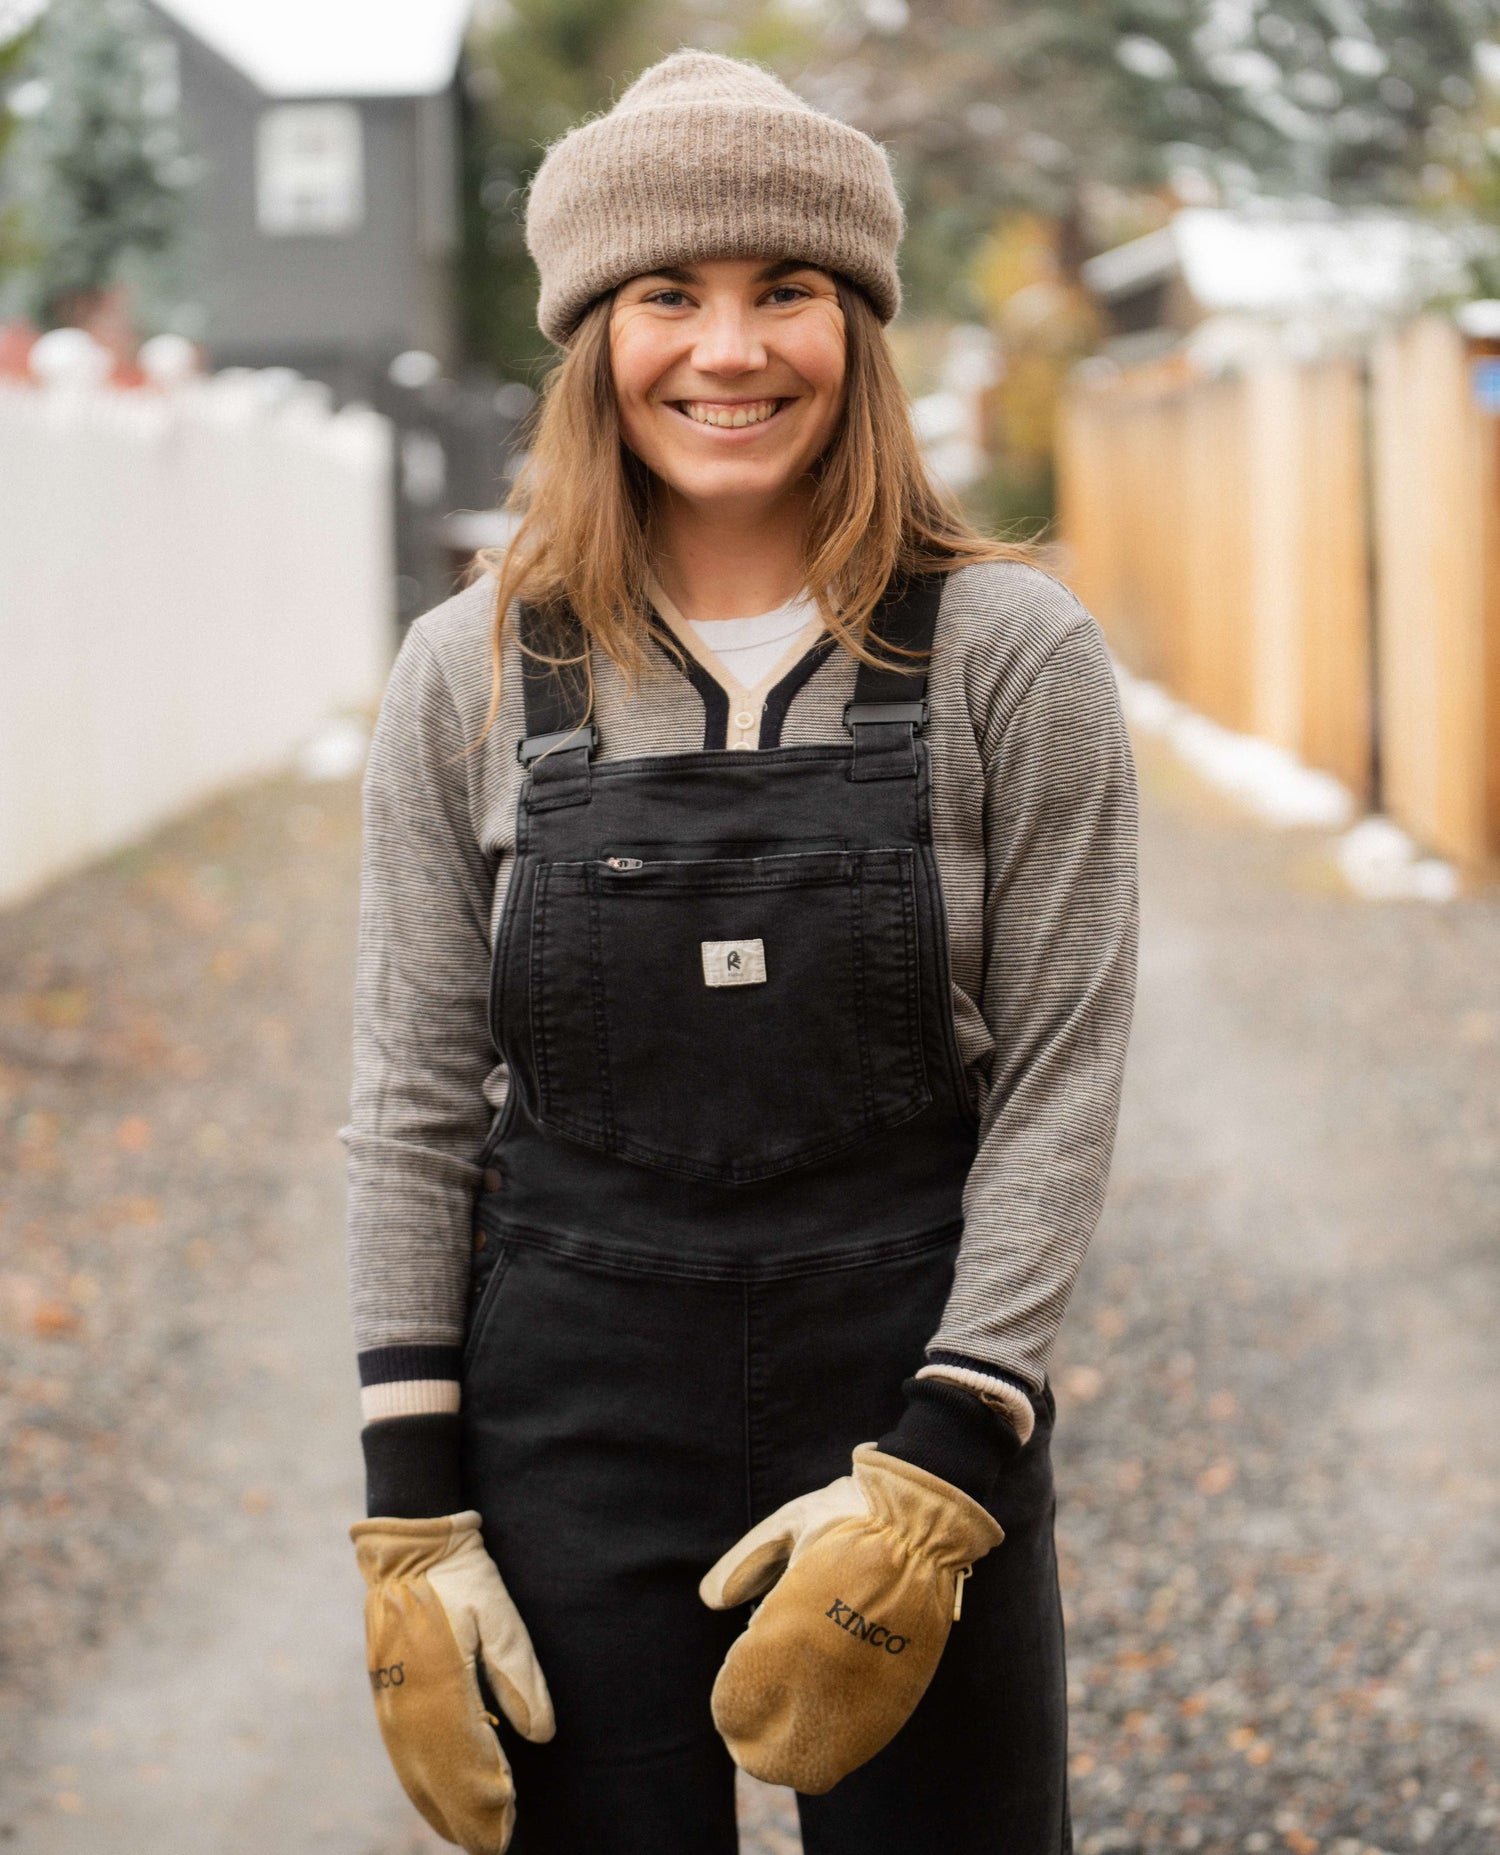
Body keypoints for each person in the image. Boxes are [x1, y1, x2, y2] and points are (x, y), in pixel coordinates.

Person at [343, 48, 1138, 1855]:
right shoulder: (467, 675)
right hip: (571, 1413)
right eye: (664, 298)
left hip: (913, 1383)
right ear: (590, 338)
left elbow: (1067, 1069)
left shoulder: (1015, 655)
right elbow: (405, 1097)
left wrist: (949, 1464)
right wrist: (411, 1509)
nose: (729, 348)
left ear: (858, 327)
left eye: (787, 289)